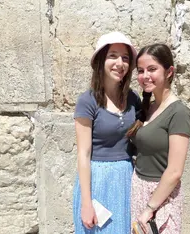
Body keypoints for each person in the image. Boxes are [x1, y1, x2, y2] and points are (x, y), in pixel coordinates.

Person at [72, 31, 140, 233]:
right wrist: (86, 203)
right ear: (101, 60)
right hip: (98, 180)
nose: (120, 63)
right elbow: (83, 154)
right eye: (113, 56)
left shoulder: (133, 99)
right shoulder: (87, 101)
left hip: (126, 179)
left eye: (125, 58)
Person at [127, 43, 190, 234]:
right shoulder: (148, 107)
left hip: (161, 198)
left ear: (169, 71)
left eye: (152, 69)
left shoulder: (179, 112)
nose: (145, 76)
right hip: (139, 189)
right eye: (140, 71)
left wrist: (149, 209)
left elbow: (174, 171)